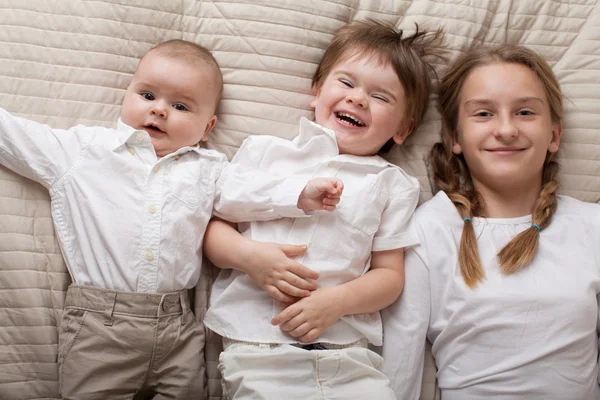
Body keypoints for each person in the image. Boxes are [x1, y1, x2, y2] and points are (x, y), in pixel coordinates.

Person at [0, 39, 342, 400]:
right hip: (99, 326)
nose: (160, 110)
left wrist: (300, 193)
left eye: (180, 106)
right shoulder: (84, 151)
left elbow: (249, 191)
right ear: (127, 94)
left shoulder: (208, 169)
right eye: (147, 95)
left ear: (207, 128)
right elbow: (16, 137)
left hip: (179, 327)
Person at [202, 20, 443, 399]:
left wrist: (336, 302)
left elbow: (389, 278)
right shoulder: (266, 153)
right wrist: (251, 257)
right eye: (346, 83)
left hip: (346, 355)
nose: (358, 99)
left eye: (381, 97)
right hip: (259, 348)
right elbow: (215, 226)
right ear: (316, 92)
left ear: (403, 129)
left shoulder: (393, 184)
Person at [380, 44, 600, 399]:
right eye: (483, 114)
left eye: (525, 112)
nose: (507, 129)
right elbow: (399, 368)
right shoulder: (428, 230)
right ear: (455, 138)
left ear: (554, 135)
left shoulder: (592, 227)